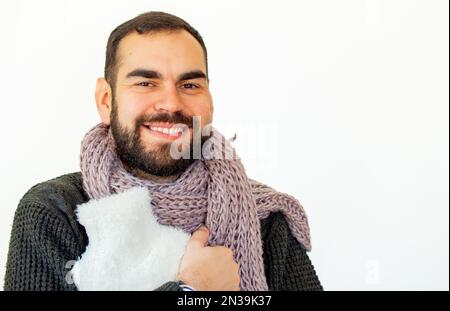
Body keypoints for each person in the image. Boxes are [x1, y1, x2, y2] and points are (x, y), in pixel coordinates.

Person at [4, 11, 323, 291]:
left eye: (190, 85)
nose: (171, 103)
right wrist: (193, 289)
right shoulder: (55, 212)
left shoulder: (265, 221)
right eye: (145, 83)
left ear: (209, 102)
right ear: (106, 100)